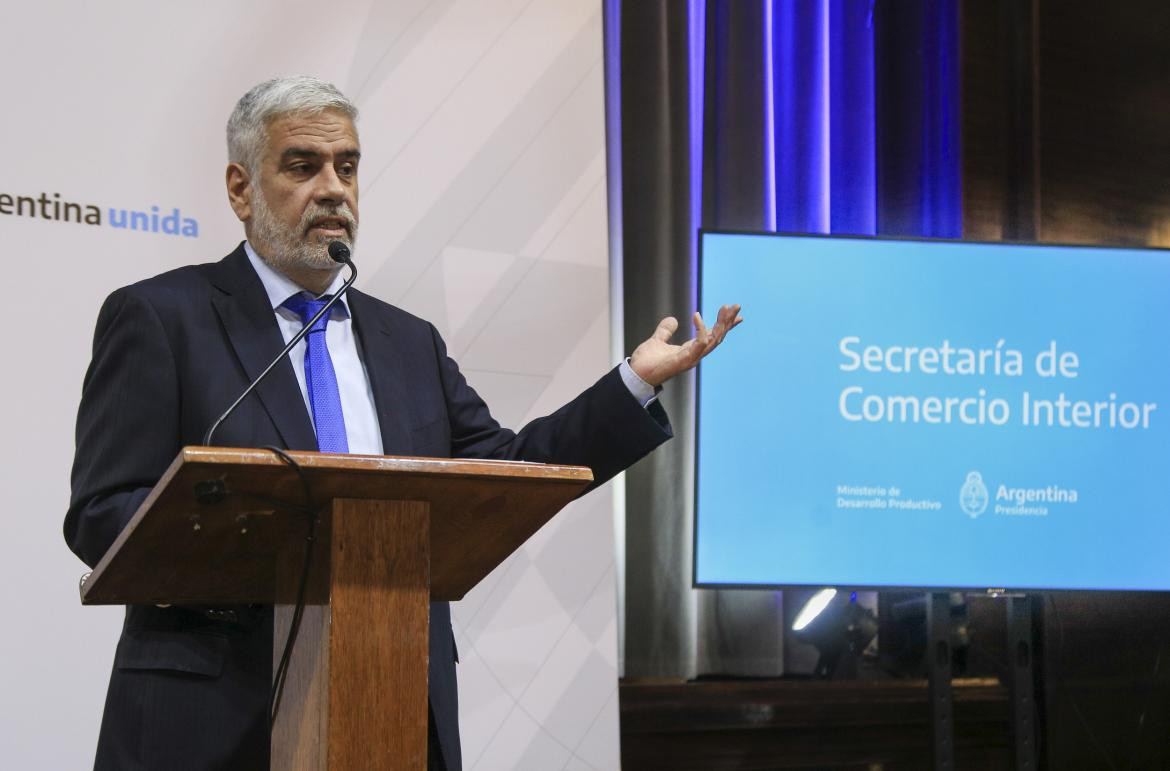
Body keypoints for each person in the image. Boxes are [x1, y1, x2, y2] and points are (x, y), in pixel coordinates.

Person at [64, 76, 741, 770]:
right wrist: (260, 536)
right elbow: (101, 512)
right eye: (303, 165)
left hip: (391, 705)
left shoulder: (407, 341)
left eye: (348, 167)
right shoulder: (162, 317)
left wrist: (634, 381)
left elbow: (508, 471)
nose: (333, 188)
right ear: (241, 189)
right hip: (211, 720)